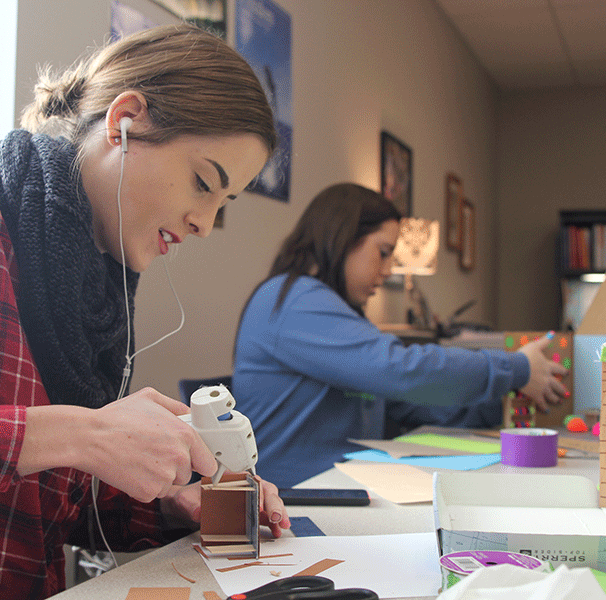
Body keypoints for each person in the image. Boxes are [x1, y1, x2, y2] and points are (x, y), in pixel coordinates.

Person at [0, 24, 290, 600]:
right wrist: (71, 433)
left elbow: (40, 510)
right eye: (202, 183)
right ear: (124, 121)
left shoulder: (93, 297)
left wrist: (169, 503)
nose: (204, 223)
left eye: (223, 203)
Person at [233, 183, 568, 488]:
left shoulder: (323, 306)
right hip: (295, 497)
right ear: (343, 238)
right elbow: (402, 370)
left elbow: (406, 403)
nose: (389, 269)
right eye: (383, 251)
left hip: (333, 483)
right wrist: (517, 369)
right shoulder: (295, 301)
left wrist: (502, 404)